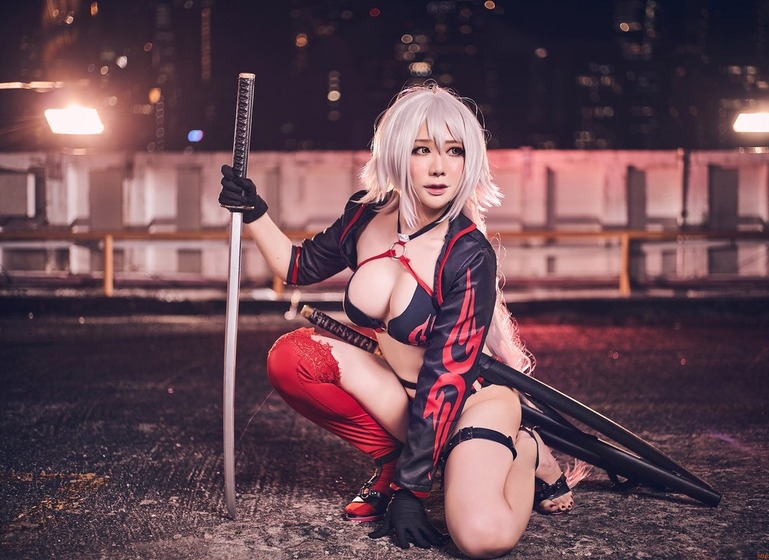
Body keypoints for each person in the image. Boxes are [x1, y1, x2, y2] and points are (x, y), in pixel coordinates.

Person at [218, 83, 587, 558]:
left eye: (454, 151)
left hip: (466, 403)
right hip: (398, 395)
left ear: (469, 159)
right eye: (422, 149)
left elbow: (446, 376)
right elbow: (297, 267)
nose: (439, 167)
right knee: (293, 356)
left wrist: (412, 492)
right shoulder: (365, 214)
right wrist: (254, 212)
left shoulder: (469, 254)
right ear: (397, 154)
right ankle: (394, 460)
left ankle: (527, 448)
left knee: (482, 538)